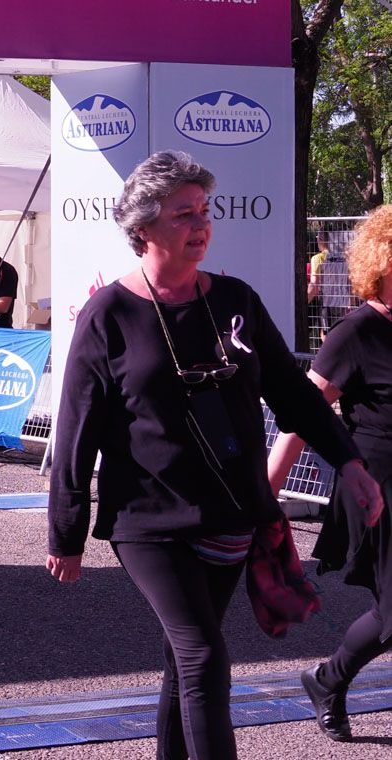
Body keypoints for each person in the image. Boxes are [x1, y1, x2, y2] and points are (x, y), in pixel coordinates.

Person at [47, 150, 383, 760]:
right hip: (148, 519)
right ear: (143, 227)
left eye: (204, 211)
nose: (200, 225)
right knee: (203, 654)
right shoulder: (110, 314)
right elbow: (77, 428)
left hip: (232, 514)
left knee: (186, 664)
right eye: (183, 214)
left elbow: (293, 394)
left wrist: (350, 463)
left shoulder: (236, 300)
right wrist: (66, 530)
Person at [268, 205, 392, 743]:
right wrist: (263, 492)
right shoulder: (357, 331)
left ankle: (326, 679)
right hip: (377, 488)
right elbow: (302, 415)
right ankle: (328, 678)